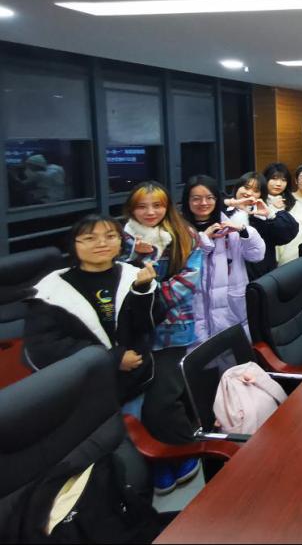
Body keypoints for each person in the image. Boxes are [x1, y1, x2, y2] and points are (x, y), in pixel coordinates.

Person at [119, 181, 207, 482]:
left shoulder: (185, 235)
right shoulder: (121, 240)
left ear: (168, 207)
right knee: (137, 403)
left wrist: (147, 300)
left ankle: (183, 452)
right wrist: (134, 254)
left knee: (163, 400)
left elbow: (188, 281)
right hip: (132, 336)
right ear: (131, 209)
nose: (150, 212)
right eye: (142, 206)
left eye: (157, 205)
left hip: (172, 330)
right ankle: (156, 459)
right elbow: (115, 281)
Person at [26, 215, 159, 402]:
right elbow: (44, 346)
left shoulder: (135, 276)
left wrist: (142, 291)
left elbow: (147, 326)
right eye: (90, 238)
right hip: (83, 390)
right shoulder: (51, 290)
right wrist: (111, 358)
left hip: (137, 380)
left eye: (111, 236)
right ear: (73, 245)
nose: (102, 243)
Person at [181, 175, 266, 343]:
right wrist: (203, 240)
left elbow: (256, 255)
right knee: (200, 353)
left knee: (233, 352)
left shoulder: (229, 226)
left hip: (231, 308)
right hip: (195, 311)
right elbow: (182, 267)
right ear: (187, 201)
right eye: (196, 198)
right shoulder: (179, 231)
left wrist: (243, 230)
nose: (203, 203)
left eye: (209, 197)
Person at [225, 172, 300, 279]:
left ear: (261, 195)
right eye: (246, 187)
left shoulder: (262, 218)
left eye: (256, 191)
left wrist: (271, 214)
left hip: (259, 277)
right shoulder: (224, 212)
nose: (249, 193)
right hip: (229, 276)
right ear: (237, 188)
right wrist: (232, 203)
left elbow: (288, 233)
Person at [263, 162, 302, 265]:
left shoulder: (292, 203)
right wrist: (272, 208)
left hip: (292, 259)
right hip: (266, 259)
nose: (278, 184)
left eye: (283, 180)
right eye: (274, 178)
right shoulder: (259, 202)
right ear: (265, 179)